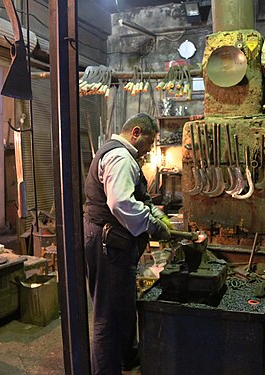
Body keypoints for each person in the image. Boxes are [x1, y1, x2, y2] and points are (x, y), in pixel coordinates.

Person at [83, 112, 171, 374]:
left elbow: (135, 199)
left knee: (121, 305)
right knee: (108, 315)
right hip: (108, 242)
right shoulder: (120, 157)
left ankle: (126, 358)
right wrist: (153, 224)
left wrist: (157, 216)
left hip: (112, 241)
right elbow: (121, 203)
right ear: (135, 133)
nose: (150, 147)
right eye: (150, 140)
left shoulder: (120, 155)